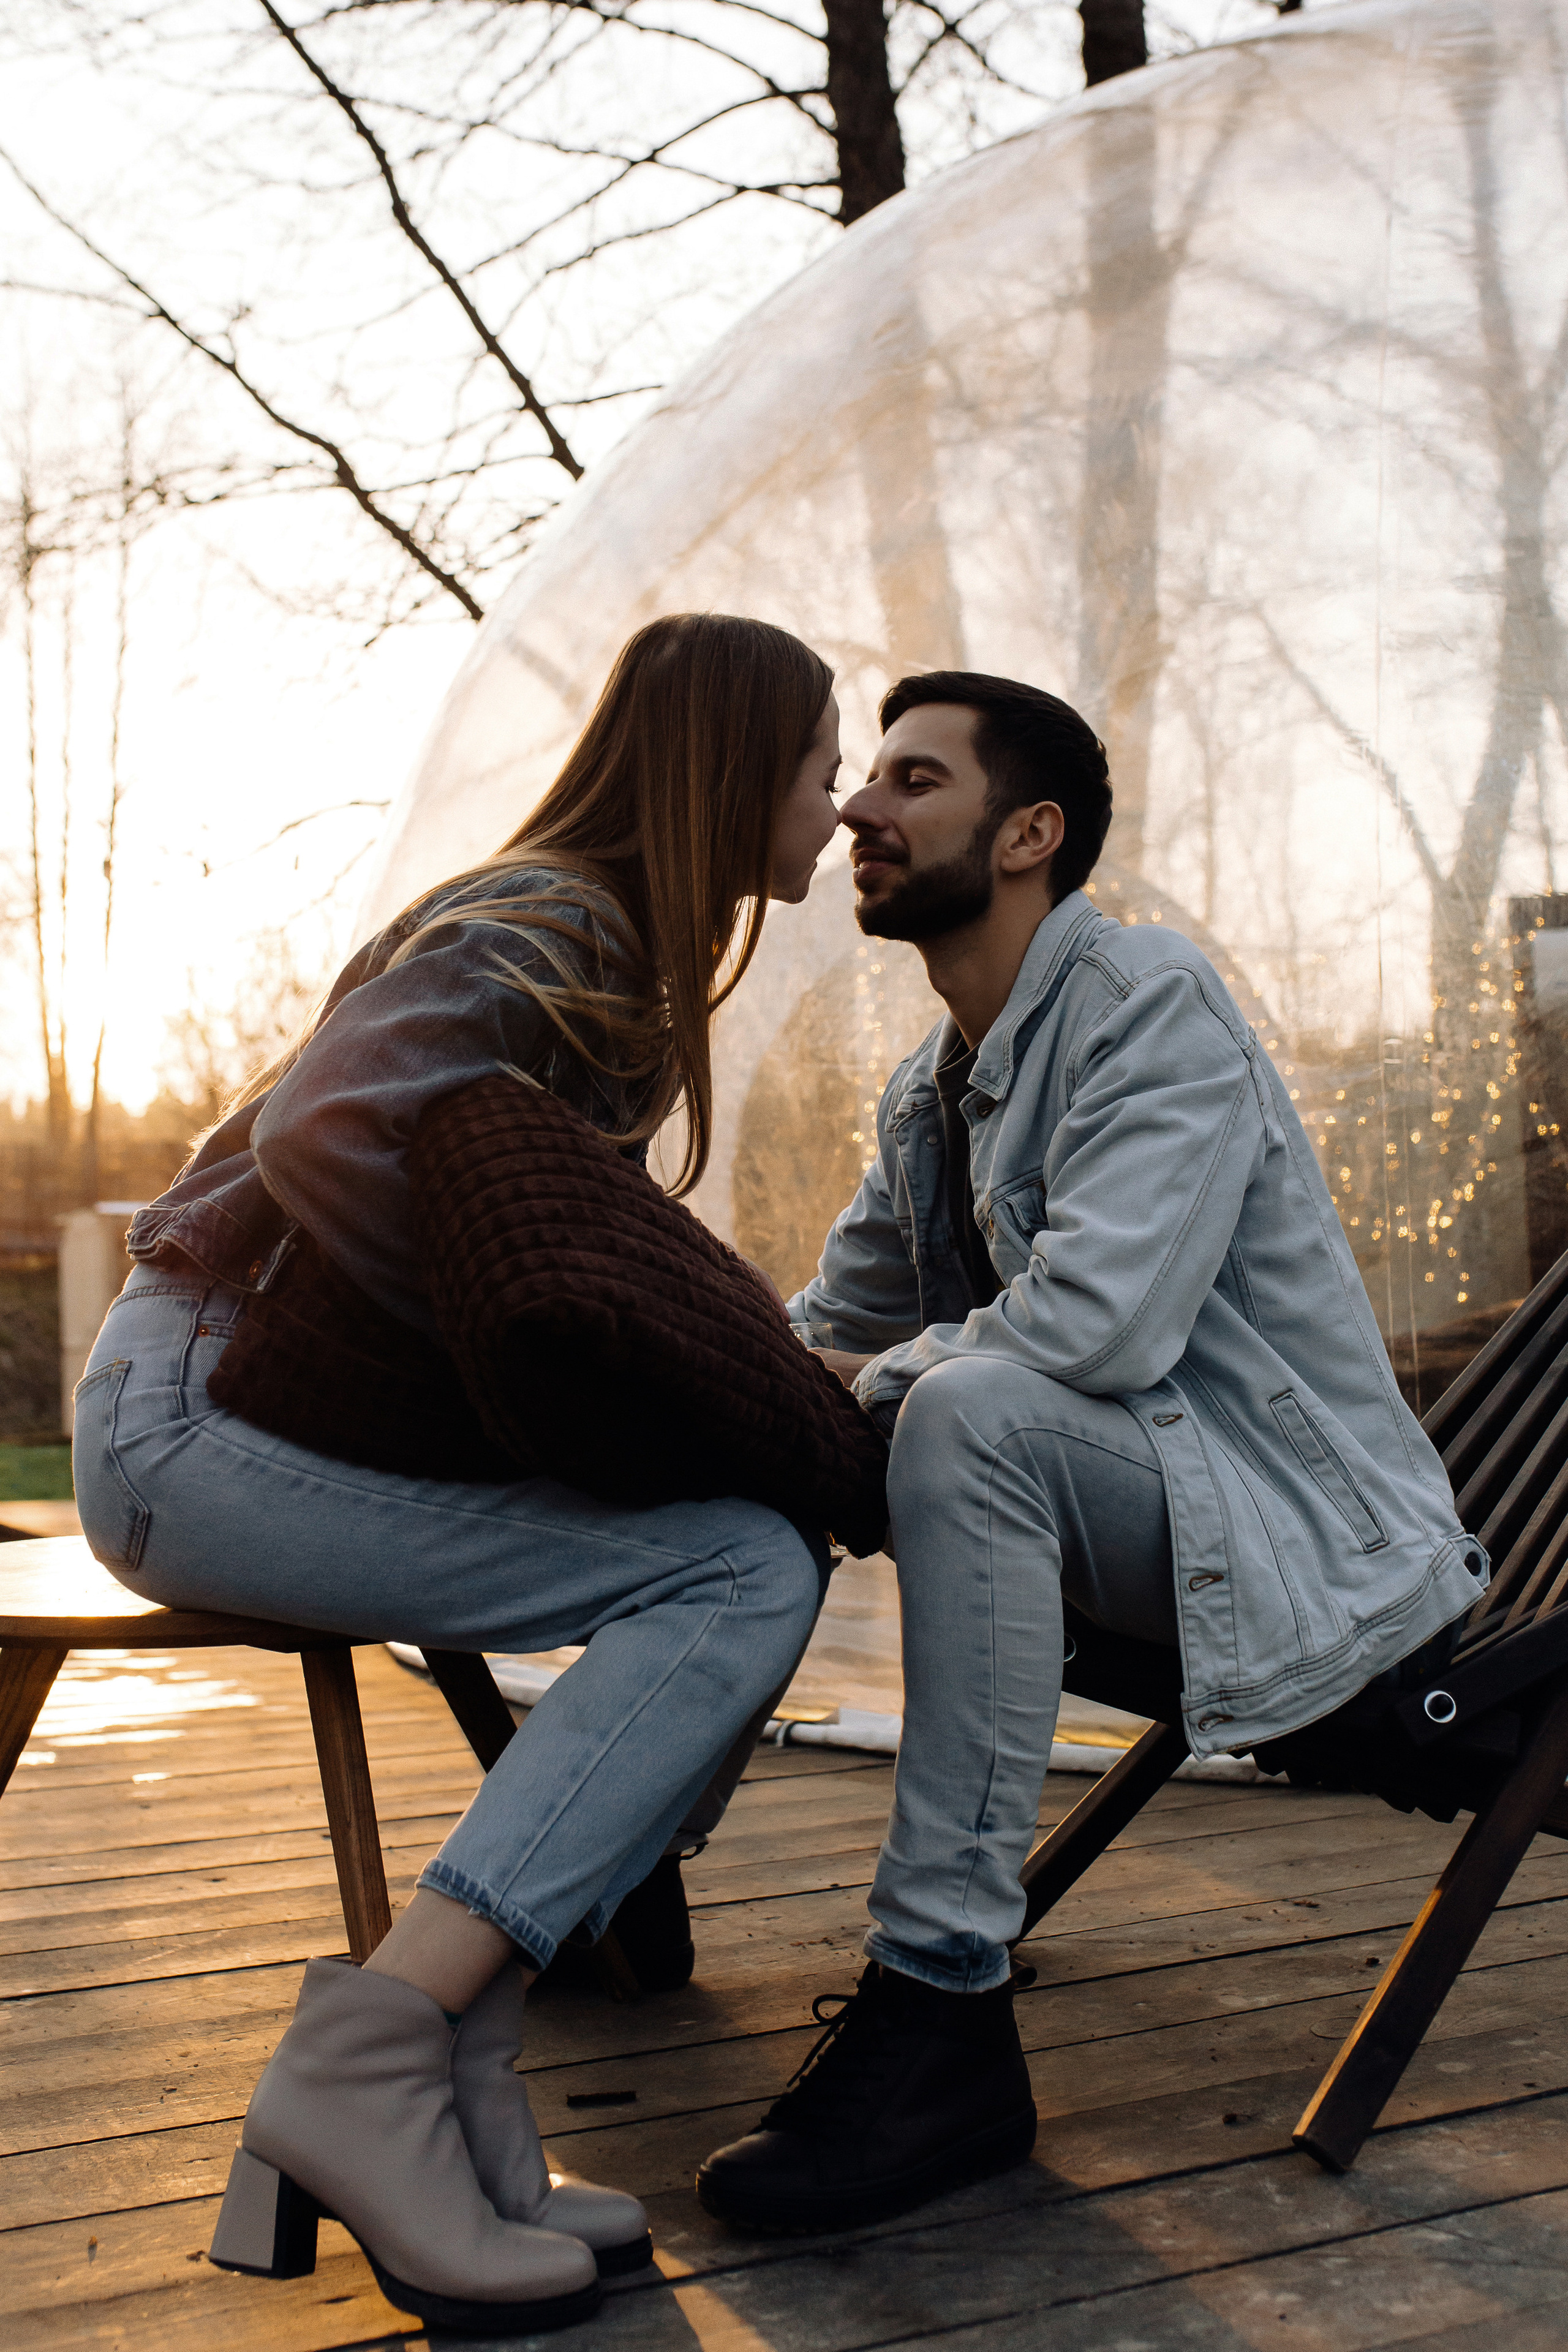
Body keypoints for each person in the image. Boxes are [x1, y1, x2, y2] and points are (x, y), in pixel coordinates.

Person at [71, 614, 846, 2335]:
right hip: (191, 1418)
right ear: (735, 771)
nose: (837, 798)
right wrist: (501, 1362)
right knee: (736, 1570)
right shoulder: (554, 921)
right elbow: (326, 1125)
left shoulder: (605, 943)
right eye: (821, 763)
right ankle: (367, 2066)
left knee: (740, 1543)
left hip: (234, 1411)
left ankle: (463, 2080)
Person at [696, 669, 1487, 2236]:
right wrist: (703, 1375)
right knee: (808, 1414)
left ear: (1026, 834)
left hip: (1315, 1559)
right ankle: (634, 1847)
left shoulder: (1146, 1002)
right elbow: (816, 1339)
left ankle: (938, 2012)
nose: (858, 806)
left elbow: (1099, 1332)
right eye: (864, 779)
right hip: (1166, 1525)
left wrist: (873, 1381)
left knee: (965, 1411)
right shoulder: (930, 1097)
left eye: (913, 781)